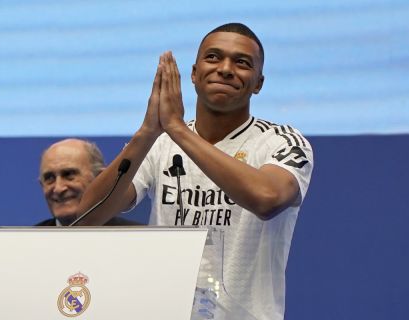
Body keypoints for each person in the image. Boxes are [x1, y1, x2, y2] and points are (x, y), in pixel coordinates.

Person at [76, 23, 313, 320]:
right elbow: (87, 216)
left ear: (258, 83)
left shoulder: (281, 140)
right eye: (213, 57)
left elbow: (266, 198)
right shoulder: (160, 144)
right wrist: (148, 131)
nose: (226, 69)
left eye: (241, 62)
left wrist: (175, 128)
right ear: (193, 73)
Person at [36, 138, 141, 226]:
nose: (58, 188)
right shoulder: (27, 242)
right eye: (49, 178)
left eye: (69, 175)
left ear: (99, 178)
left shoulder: (139, 239)